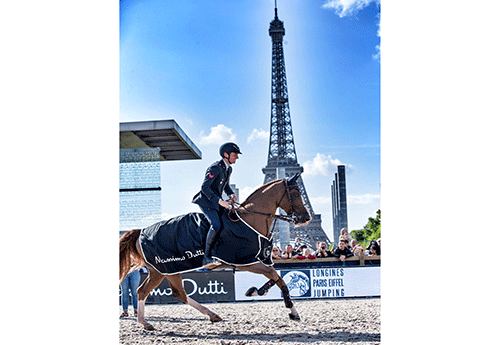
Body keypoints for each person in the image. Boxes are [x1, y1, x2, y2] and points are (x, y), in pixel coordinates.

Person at [192, 142, 242, 267]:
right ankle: (206, 257)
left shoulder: (228, 168)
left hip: (216, 202)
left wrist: (230, 194)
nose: (237, 157)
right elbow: (205, 188)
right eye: (234, 154)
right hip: (206, 202)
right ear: (226, 154)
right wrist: (220, 202)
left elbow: (225, 186)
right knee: (216, 224)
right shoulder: (215, 167)